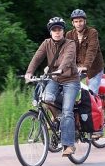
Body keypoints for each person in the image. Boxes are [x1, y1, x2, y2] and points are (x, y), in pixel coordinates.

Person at [25, 17, 80, 157]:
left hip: (71, 80)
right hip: (55, 79)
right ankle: (58, 118)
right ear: (50, 32)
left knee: (68, 110)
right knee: (47, 98)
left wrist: (60, 69)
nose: (57, 32)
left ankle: (69, 145)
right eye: (54, 30)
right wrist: (29, 72)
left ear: (63, 31)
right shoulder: (46, 43)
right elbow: (37, 57)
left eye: (59, 29)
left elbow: (68, 58)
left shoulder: (70, 43)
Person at [66, 9, 105, 138]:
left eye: (81, 21)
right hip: (76, 69)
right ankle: (77, 124)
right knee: (70, 92)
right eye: (76, 21)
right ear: (72, 23)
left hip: (94, 69)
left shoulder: (92, 33)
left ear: (85, 21)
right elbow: (66, 53)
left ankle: (97, 128)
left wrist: (85, 67)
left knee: (91, 95)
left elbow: (92, 52)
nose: (79, 24)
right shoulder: (69, 35)